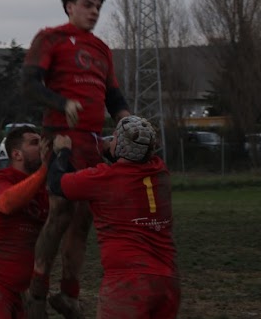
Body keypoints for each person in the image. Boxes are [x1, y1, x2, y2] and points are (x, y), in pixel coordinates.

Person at [22, 0, 131, 319]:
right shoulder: (50, 38)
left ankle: (69, 293)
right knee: (62, 211)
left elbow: (113, 97)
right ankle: (36, 291)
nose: (94, 11)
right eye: (87, 4)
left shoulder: (101, 48)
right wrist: (61, 102)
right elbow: (28, 83)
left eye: (98, 5)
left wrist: (128, 121)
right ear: (69, 6)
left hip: (93, 141)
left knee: (83, 219)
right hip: (61, 137)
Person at [48, 117, 180, 319]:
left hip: (127, 282)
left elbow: (57, 183)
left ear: (120, 144)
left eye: (114, 138)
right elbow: (131, 159)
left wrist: (63, 151)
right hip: (168, 281)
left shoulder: (103, 179)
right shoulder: (160, 171)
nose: (110, 141)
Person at [0, 126, 49, 319]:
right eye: (34, 143)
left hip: (28, 284)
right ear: (17, 154)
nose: (42, 146)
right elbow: (6, 203)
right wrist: (46, 167)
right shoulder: (0, 177)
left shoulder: (44, 186)